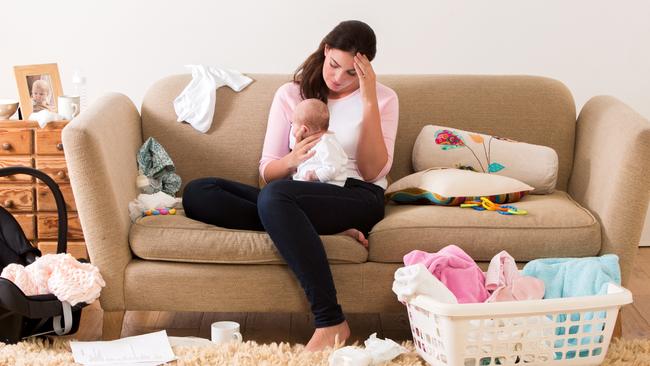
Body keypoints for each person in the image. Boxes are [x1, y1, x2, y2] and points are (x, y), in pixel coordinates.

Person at [182, 20, 399, 351]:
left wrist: (368, 99)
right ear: (325, 51)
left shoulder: (384, 99)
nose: (338, 78)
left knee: (275, 198)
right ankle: (311, 227)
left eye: (351, 73)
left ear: (366, 70)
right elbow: (267, 172)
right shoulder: (291, 95)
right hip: (297, 192)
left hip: (357, 196)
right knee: (199, 192)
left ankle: (331, 321)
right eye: (334, 65)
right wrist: (293, 159)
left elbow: (372, 172)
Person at [290, 98, 368, 246]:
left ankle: (331, 233)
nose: (292, 127)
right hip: (310, 187)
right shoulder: (315, 142)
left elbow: (333, 168)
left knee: (293, 209)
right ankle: (334, 234)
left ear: (304, 129)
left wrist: (315, 175)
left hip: (326, 188)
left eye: (293, 124)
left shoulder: (326, 143)